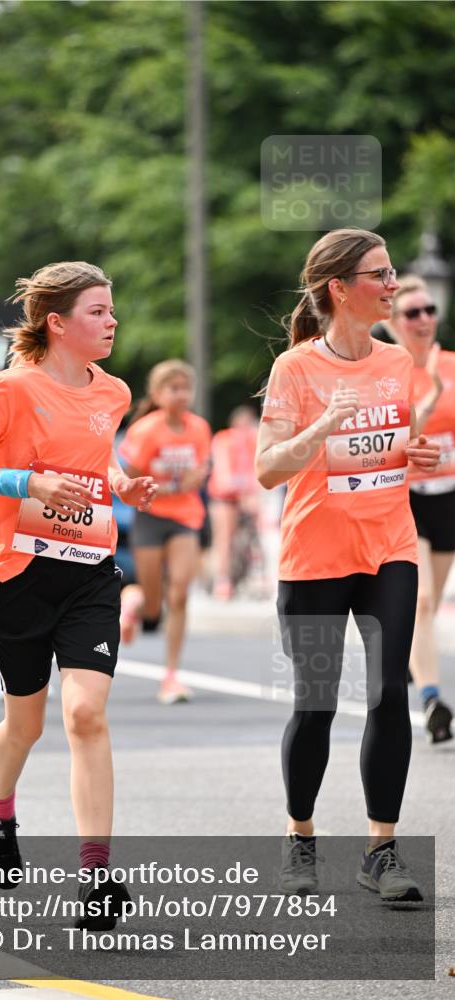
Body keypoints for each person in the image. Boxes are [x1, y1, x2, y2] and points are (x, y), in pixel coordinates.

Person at [0, 262, 155, 924]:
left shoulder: (113, 393)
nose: (111, 321)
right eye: (97, 312)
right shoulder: (12, 389)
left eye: (111, 310)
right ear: (58, 323)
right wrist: (25, 485)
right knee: (24, 725)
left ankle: (97, 878)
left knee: (86, 714)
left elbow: (94, 454)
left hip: (90, 570)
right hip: (18, 575)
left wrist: (118, 483)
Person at [255, 229, 440, 902]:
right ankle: (299, 838)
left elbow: (391, 451)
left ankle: (379, 851)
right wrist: (320, 426)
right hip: (313, 559)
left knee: (389, 691)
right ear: (340, 288)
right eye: (380, 275)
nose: (393, 285)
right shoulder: (296, 369)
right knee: (315, 704)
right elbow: (266, 469)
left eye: (393, 274)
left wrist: (413, 458)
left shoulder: (396, 364)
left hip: (388, 547)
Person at [117, 360, 211, 704]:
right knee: (155, 605)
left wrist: (196, 477)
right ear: (157, 394)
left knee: (181, 594)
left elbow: (201, 466)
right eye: (173, 388)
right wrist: (167, 484)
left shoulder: (199, 428)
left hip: (185, 517)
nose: (181, 395)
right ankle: (134, 601)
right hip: (150, 517)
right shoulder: (146, 430)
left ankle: (171, 675)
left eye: (186, 387)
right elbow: (130, 476)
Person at [390, 276, 455, 743]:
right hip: (405, 495)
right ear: (393, 322)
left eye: (429, 309)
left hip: (449, 495)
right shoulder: (385, 370)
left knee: (426, 612)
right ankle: (432, 696)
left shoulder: (451, 365)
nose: (424, 319)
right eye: (413, 312)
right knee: (423, 599)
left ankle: (413, 659)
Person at [208, 404, 261, 599]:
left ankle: (253, 576)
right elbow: (223, 471)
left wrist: (253, 493)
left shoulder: (253, 440)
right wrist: (242, 491)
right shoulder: (223, 439)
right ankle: (222, 580)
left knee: (257, 532)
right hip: (224, 496)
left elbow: (258, 468)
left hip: (245, 494)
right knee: (224, 538)